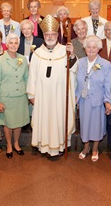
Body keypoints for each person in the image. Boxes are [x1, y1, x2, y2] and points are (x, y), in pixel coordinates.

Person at [27, 15, 77, 158]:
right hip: (42, 96)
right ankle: (44, 146)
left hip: (59, 95)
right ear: (44, 35)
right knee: (44, 119)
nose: (50, 36)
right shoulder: (37, 53)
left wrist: (72, 56)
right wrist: (32, 95)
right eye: (47, 34)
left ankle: (59, 146)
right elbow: (32, 75)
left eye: (53, 34)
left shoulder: (65, 50)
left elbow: (72, 71)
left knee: (58, 119)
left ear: (57, 35)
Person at [75, 35, 111, 162]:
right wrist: (75, 97)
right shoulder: (79, 62)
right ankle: (86, 147)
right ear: (85, 48)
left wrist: (108, 101)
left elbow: (108, 84)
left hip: (98, 100)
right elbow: (75, 82)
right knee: (84, 125)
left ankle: (95, 148)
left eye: (94, 47)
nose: (91, 49)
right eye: (88, 47)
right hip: (84, 99)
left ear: (99, 49)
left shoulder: (105, 64)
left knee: (96, 126)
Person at [0, 33, 29, 159]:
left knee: (18, 122)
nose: (13, 45)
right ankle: (9, 145)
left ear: (18, 44)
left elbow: (27, 78)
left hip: (20, 96)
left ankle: (16, 143)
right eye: (11, 43)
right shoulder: (0, 60)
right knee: (8, 123)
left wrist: (28, 95)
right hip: (6, 97)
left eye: (16, 43)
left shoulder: (23, 59)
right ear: (7, 44)